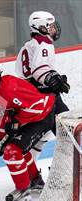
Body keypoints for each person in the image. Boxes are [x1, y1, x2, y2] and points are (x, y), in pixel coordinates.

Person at [0, 61, 56, 201]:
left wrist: (17, 120)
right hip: (25, 119)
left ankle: (23, 188)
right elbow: (2, 119)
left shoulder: (9, 88)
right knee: (10, 147)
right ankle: (36, 180)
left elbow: (37, 107)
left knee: (12, 151)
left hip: (42, 116)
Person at [15, 11, 70, 159]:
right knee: (69, 132)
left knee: (42, 135)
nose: (54, 29)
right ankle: (72, 169)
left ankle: (29, 167)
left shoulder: (26, 47)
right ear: (42, 28)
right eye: (50, 26)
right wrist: (53, 80)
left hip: (32, 98)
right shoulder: (44, 43)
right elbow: (40, 70)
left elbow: (23, 76)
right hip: (47, 97)